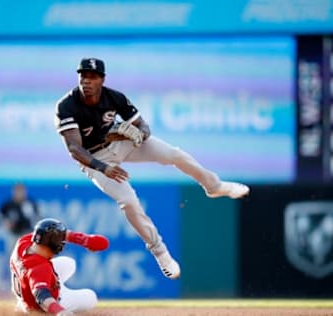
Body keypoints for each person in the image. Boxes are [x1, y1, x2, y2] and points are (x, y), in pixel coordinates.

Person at [54, 57, 250, 280]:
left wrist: (140, 134)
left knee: (174, 154)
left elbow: (143, 126)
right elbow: (74, 148)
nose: (87, 81)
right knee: (128, 202)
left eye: (92, 76)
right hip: (94, 159)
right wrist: (103, 167)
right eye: (83, 76)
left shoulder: (114, 97)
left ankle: (214, 186)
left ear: (102, 79)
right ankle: (161, 253)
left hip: (119, 143)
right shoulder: (66, 106)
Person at [9, 218, 109, 315]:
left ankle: (22, 304)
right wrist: (60, 311)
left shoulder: (23, 242)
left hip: (25, 289)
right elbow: (42, 295)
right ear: (53, 244)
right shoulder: (40, 268)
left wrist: (86, 240)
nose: (62, 242)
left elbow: (55, 234)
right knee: (91, 297)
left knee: (69, 263)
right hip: (43, 306)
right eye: (60, 240)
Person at [0, 183, 41, 250]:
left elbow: (38, 217)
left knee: (28, 254)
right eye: (17, 191)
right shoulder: (8, 205)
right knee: (12, 254)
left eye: (21, 191)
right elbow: (0, 217)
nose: (19, 193)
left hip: (27, 233)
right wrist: (6, 223)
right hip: (13, 234)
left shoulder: (30, 203)